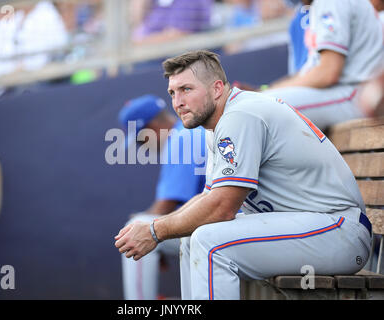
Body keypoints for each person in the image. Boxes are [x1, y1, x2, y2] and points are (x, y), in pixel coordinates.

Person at [114, 50, 372, 300]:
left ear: (216, 89)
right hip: (314, 227)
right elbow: (207, 198)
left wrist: (155, 230)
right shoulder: (216, 125)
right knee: (194, 238)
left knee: (209, 242)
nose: (177, 102)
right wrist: (154, 228)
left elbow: (222, 208)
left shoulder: (241, 114)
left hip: (338, 231)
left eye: (186, 90)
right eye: (172, 92)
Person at [117, 94, 206, 300]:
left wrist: (149, 232)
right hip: (223, 224)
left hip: (218, 228)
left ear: (153, 127)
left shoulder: (181, 138)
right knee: (144, 227)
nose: (142, 146)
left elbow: (164, 208)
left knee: (134, 228)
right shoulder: (189, 131)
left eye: (140, 139)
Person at [262, 0, 383, 131]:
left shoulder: (330, 2)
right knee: (255, 105)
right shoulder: (316, 6)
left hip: (358, 95)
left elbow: (328, 73)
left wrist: (266, 92)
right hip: (343, 92)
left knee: (260, 109)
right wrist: (265, 90)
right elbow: (312, 71)